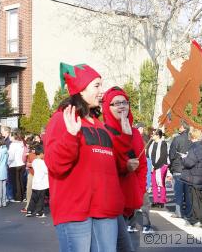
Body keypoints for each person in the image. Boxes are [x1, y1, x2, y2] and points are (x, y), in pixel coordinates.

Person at [44, 63, 124, 252]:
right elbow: (55, 165)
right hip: (75, 211)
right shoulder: (61, 119)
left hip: (105, 210)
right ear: (80, 89)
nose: (101, 91)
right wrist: (71, 136)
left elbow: (112, 167)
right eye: (96, 85)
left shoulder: (99, 124)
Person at [102, 86, 147, 252]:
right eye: (116, 103)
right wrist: (124, 167)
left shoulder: (135, 133)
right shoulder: (103, 132)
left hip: (130, 201)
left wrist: (139, 191)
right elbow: (103, 167)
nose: (122, 106)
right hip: (109, 201)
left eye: (125, 102)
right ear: (107, 107)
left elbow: (142, 166)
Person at [181, 127, 202, 227]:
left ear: (193, 137)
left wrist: (184, 158)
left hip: (195, 177)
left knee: (194, 200)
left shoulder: (194, 148)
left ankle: (195, 219)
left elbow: (189, 163)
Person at [169, 121, 192, 218]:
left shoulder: (177, 139)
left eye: (180, 126)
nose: (179, 128)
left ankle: (179, 212)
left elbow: (172, 154)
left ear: (183, 128)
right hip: (188, 168)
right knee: (187, 192)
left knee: (178, 191)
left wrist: (172, 163)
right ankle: (188, 212)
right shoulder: (191, 139)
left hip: (178, 167)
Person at [146, 129, 168, 208]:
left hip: (161, 166)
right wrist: (151, 165)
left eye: (154, 134)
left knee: (160, 183)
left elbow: (163, 156)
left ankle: (162, 201)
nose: (152, 136)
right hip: (152, 166)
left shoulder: (163, 143)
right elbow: (147, 153)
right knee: (154, 184)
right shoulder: (151, 143)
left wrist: (155, 166)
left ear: (158, 135)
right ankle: (155, 201)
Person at [26, 145, 48, 217]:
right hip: (42, 184)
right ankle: (39, 212)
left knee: (33, 198)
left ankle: (29, 211)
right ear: (41, 154)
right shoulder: (42, 162)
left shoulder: (34, 161)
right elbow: (46, 171)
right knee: (41, 199)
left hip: (35, 183)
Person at [7, 130, 26, 203]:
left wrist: (8, 163)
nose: (10, 137)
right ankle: (21, 196)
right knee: (20, 181)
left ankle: (17, 197)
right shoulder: (21, 143)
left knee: (15, 182)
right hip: (22, 163)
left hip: (14, 164)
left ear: (13, 136)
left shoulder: (13, 145)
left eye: (10, 136)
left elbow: (11, 157)